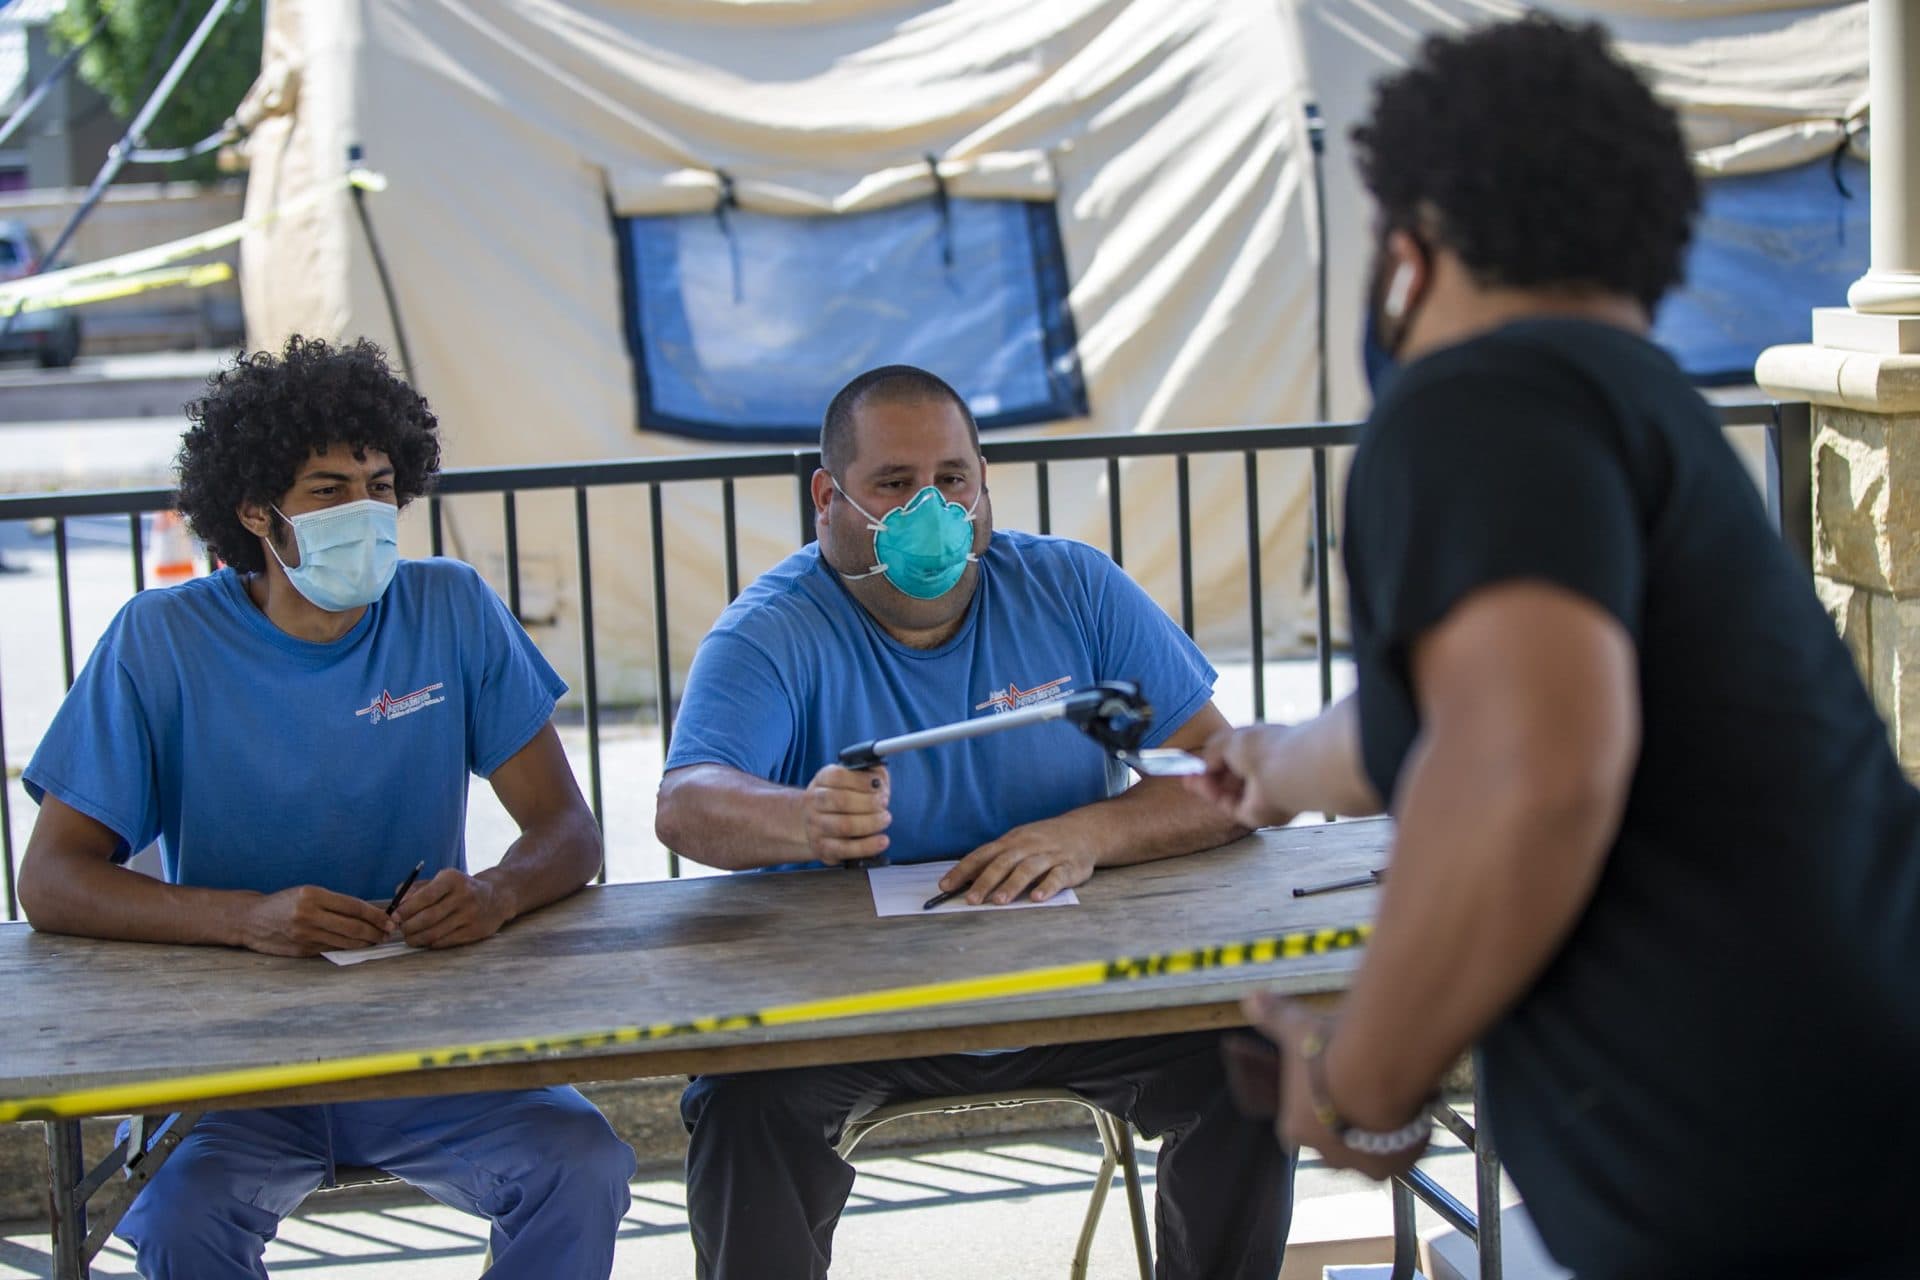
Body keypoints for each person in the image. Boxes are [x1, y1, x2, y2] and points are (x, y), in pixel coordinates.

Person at [1190, 16, 1917, 1278]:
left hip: (1759, 1179)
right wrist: (1271, 761)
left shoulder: (1478, 398)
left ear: (1411, 248)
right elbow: (1453, 710)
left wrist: (1363, 1073)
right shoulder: (1633, 404)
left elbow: (1534, 764)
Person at [655, 364, 1292, 1280]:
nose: (932, 509)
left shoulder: (1072, 587)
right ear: (828, 497)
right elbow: (686, 803)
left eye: (952, 479)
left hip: (1084, 988)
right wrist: (801, 818)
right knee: (741, 1106)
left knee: (1256, 1059)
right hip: (855, 1008)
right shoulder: (771, 631)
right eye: (894, 484)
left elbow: (1224, 777)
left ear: (986, 481)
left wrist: (1090, 834)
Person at [17, 336, 635, 1279]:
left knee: (581, 1162)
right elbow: (51, 880)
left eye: (382, 486)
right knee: (181, 1221)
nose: (367, 513)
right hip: (234, 1064)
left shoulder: (452, 609)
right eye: (329, 491)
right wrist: (247, 921)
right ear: (255, 511)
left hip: (426, 1041)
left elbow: (568, 831)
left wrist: (497, 894)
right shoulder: (160, 640)